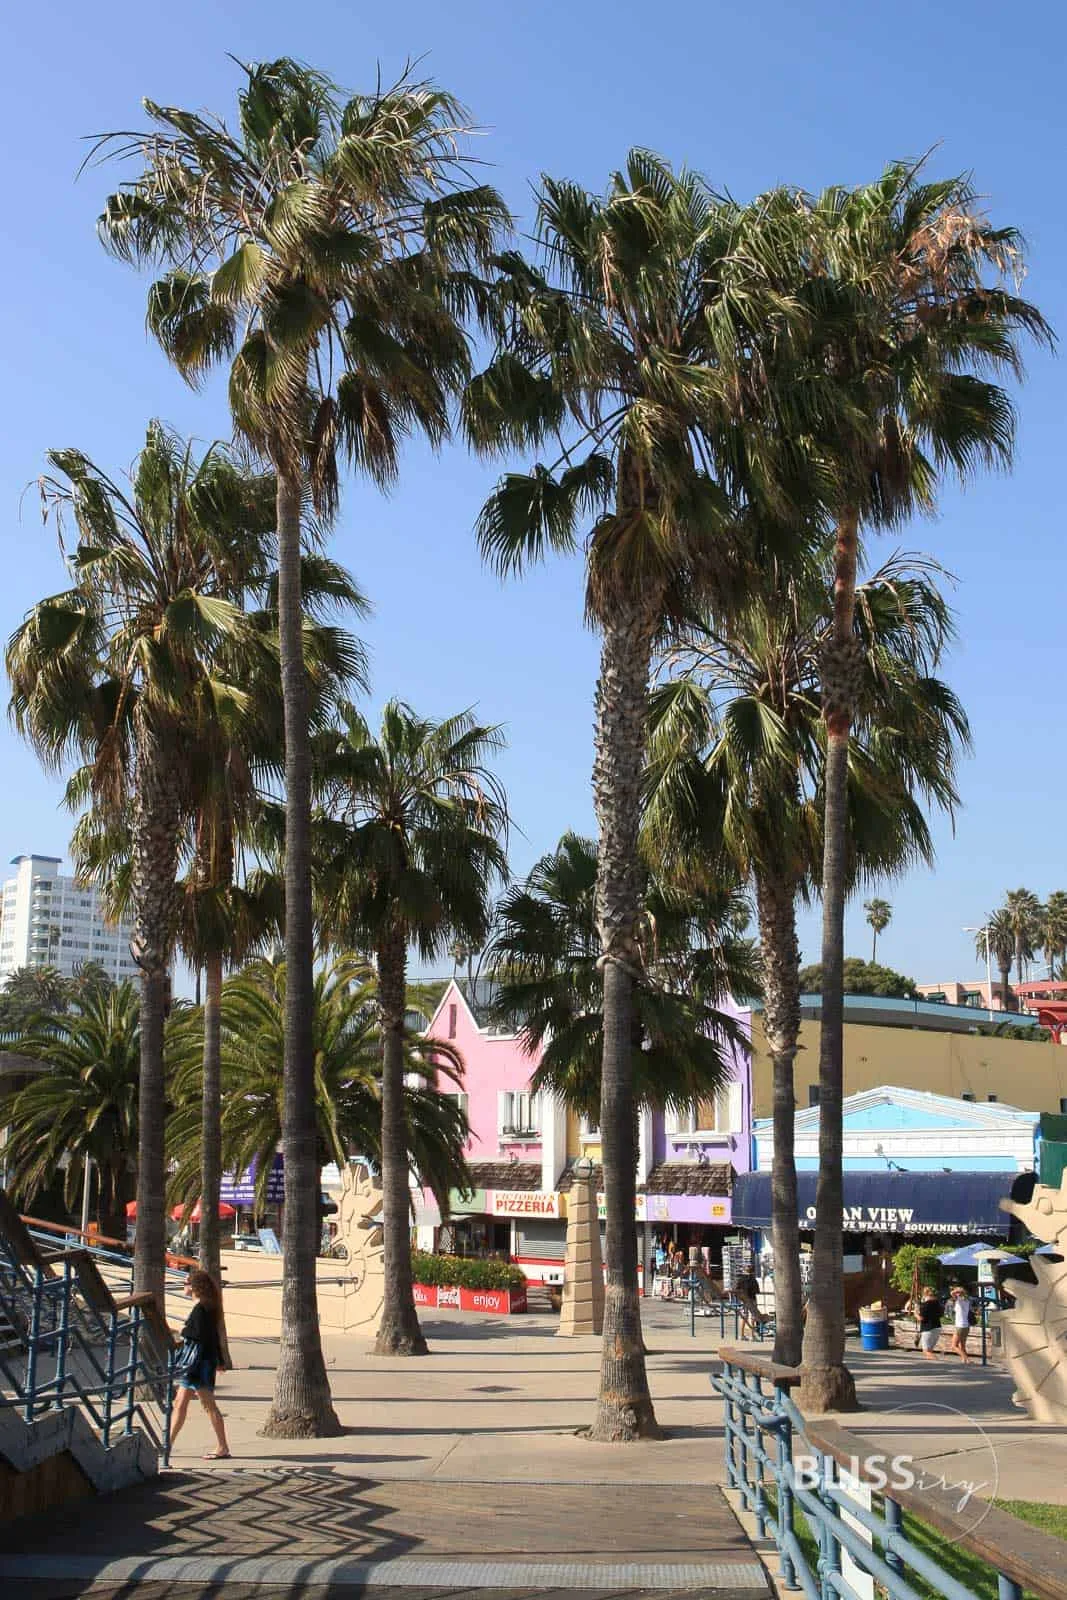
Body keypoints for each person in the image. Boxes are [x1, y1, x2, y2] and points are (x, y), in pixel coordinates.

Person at [170, 1269, 231, 1459]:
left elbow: (201, 1336)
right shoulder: (206, 1307)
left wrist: (183, 1331)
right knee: (180, 1403)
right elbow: (213, 1335)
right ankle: (167, 1445)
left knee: (208, 1405)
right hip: (200, 1362)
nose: (184, 1286)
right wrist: (220, 1360)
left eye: (187, 1283)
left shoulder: (201, 1309)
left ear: (195, 1287)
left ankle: (223, 1446)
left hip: (199, 1364)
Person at [915, 1286, 943, 1360]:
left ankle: (938, 1363)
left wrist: (916, 1313)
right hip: (937, 1327)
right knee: (930, 1350)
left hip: (928, 1329)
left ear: (925, 1294)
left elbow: (921, 1318)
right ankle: (934, 1366)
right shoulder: (937, 1303)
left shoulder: (925, 1305)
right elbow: (941, 1314)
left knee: (926, 1351)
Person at [948, 1284, 973, 1364]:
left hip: (960, 1326)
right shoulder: (967, 1300)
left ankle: (966, 1358)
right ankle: (964, 1360)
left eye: (957, 1292)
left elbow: (952, 1293)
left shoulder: (959, 1300)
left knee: (953, 1346)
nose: (956, 1294)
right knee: (962, 1345)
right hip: (966, 1326)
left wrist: (956, 1290)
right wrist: (959, 1290)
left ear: (959, 1293)